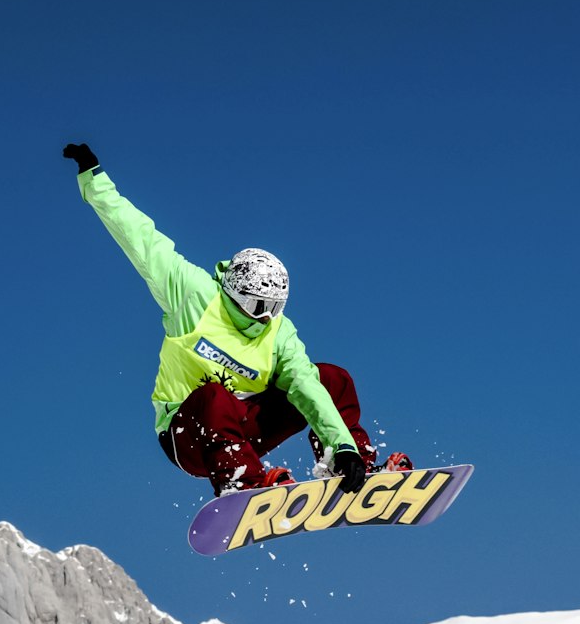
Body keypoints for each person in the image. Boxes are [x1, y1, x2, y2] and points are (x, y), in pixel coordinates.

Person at [63, 142, 411, 497]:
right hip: (189, 437)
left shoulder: (278, 333)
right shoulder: (192, 295)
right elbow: (140, 238)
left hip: (246, 430)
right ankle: (241, 482)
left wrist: (343, 447)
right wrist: (95, 181)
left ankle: (352, 465)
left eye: (275, 307)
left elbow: (306, 387)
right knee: (213, 396)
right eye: (259, 305)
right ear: (238, 293)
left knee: (331, 379)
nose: (266, 317)